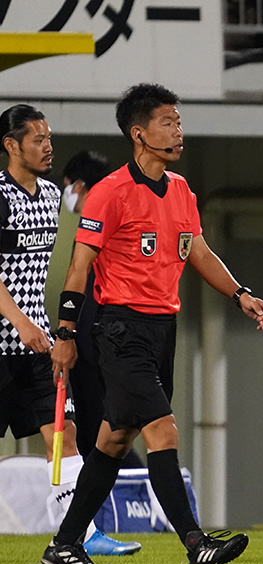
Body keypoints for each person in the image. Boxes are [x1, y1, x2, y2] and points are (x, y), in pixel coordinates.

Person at [41, 83, 263, 564]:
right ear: (139, 133)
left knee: (113, 441)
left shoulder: (182, 190)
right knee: (162, 431)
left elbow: (201, 254)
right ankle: (196, 544)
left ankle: (64, 544)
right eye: (168, 122)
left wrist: (241, 295)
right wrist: (65, 334)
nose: (178, 130)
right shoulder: (108, 194)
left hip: (162, 328)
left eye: (179, 121)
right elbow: (79, 269)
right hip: (120, 330)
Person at [0, 104, 139, 557]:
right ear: (10, 145)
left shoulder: (49, 196)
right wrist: (18, 320)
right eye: (37, 139)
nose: (48, 146)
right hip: (8, 338)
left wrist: (49, 326)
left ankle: (78, 533)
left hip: (37, 343)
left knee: (63, 432)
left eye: (49, 137)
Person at [63, 151, 144, 469]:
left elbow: (86, 286)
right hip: (114, 338)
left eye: (66, 187)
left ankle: (141, 497)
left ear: (80, 186)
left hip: (97, 342)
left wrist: (69, 337)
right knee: (96, 432)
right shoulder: (124, 214)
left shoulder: (98, 224)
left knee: (101, 431)